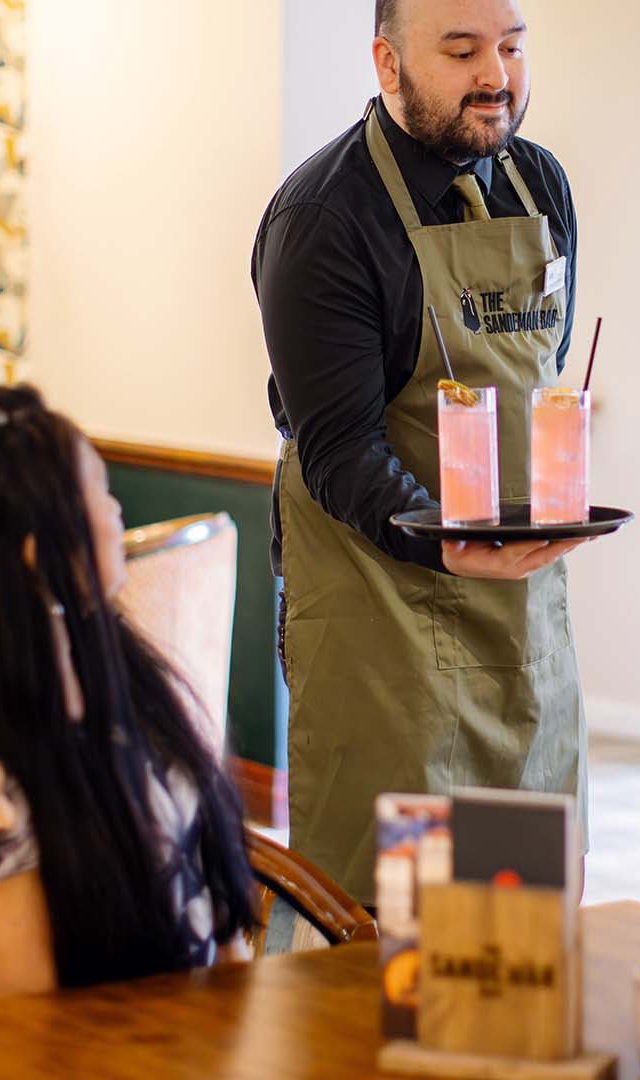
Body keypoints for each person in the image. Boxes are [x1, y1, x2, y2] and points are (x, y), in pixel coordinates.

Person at [251, 0, 585, 903]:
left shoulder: (540, 185)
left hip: (525, 614)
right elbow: (339, 448)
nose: (498, 76)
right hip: (386, 617)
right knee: (396, 920)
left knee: (525, 920)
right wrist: (454, 542)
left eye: (512, 48)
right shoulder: (324, 218)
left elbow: (539, 377)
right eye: (463, 50)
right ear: (388, 64)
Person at [0, 386, 257, 1006]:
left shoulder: (116, 670)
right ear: (34, 550)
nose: (116, 513)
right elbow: (31, 1034)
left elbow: (216, 917)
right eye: (97, 495)